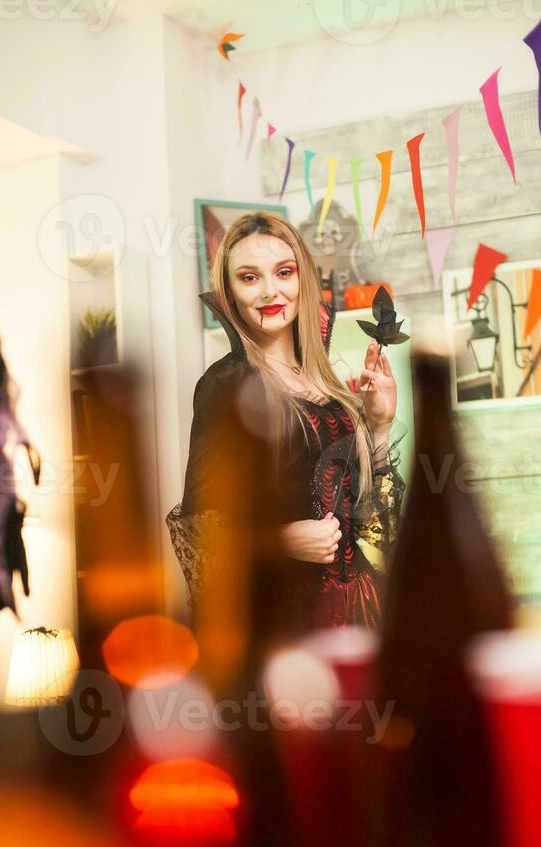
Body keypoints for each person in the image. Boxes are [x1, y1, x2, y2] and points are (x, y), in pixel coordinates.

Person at [166, 212, 405, 657]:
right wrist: (280, 541)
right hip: (285, 621)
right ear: (230, 293)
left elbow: (375, 526)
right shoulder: (226, 386)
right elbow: (202, 528)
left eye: (283, 272)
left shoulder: (329, 382)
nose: (270, 291)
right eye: (249, 277)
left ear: (303, 280)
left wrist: (379, 425)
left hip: (362, 612)